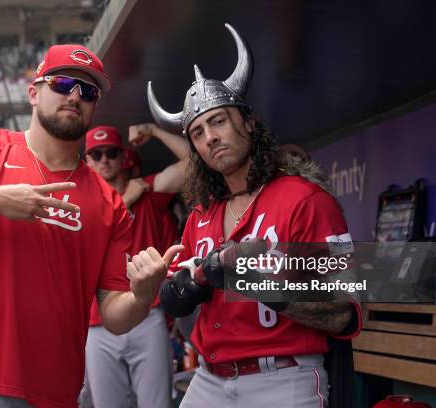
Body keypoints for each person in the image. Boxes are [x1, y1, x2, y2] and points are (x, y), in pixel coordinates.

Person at [0, 44, 181, 408]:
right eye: (62, 83)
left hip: (50, 393)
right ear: (33, 92)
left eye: (88, 91)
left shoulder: (109, 204)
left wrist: (140, 296)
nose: (75, 95)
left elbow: (115, 317)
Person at [148, 24, 362, 407]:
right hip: (209, 379)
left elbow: (342, 312)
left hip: (282, 378)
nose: (210, 137)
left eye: (218, 121)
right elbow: (177, 298)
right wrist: (185, 287)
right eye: (197, 133)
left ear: (248, 122)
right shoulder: (201, 214)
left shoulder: (305, 199)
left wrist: (260, 283)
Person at [82, 123, 187, 408]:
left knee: (157, 404)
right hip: (97, 322)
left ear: (123, 156)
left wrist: (155, 131)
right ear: (88, 162)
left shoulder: (148, 192)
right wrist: (125, 201)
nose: (104, 160)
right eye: (97, 154)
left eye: (111, 153)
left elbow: (195, 164)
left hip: (146, 314)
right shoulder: (83, 205)